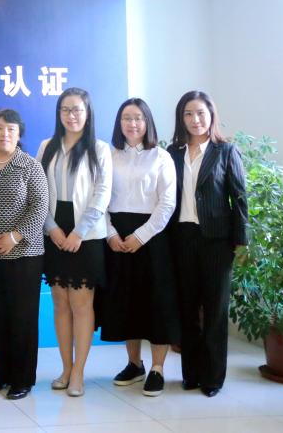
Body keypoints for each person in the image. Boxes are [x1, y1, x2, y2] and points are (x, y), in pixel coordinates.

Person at [166, 90, 247, 398]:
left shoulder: (225, 151)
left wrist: (240, 241)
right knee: (187, 308)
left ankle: (213, 377)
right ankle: (191, 373)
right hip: (181, 237)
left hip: (216, 240)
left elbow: (239, 198)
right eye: (188, 113)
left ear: (211, 115)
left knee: (215, 310)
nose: (195, 119)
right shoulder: (173, 152)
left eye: (200, 113)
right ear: (181, 118)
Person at [37, 87, 112, 397]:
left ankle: (79, 372)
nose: (71, 115)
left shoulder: (99, 149)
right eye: (65, 110)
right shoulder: (47, 146)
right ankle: (65, 368)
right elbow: (38, 191)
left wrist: (79, 232)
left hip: (86, 235)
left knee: (81, 305)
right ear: (59, 114)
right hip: (54, 231)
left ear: (87, 113)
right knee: (60, 303)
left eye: (77, 110)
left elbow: (102, 194)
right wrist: (52, 228)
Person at [102, 98, 179, 397]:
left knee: (157, 302)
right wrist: (110, 234)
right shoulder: (109, 156)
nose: (132, 124)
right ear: (119, 123)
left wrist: (142, 235)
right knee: (126, 301)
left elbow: (167, 203)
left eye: (138, 118)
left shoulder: (161, 157)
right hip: (117, 238)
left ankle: (157, 368)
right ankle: (134, 364)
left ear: (147, 122)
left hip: (152, 238)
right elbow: (99, 199)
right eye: (126, 118)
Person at [0, 108, 49, 400]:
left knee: (22, 318)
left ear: (19, 134)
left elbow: (40, 206)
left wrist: (14, 236)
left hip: (24, 255)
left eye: (10, 129)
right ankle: (0, 372)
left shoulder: (30, 165)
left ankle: (22, 378)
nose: (4, 134)